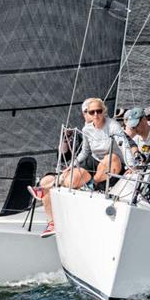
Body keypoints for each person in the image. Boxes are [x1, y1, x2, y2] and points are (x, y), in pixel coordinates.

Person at [29, 98, 140, 238]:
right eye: (92, 112)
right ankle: (48, 191)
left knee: (110, 159)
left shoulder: (113, 126)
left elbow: (124, 146)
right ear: (87, 113)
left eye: (99, 111)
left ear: (104, 111)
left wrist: (132, 166)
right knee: (71, 180)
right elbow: (85, 152)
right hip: (93, 161)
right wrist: (72, 164)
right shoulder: (86, 129)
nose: (95, 115)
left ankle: (91, 184)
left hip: (114, 162)